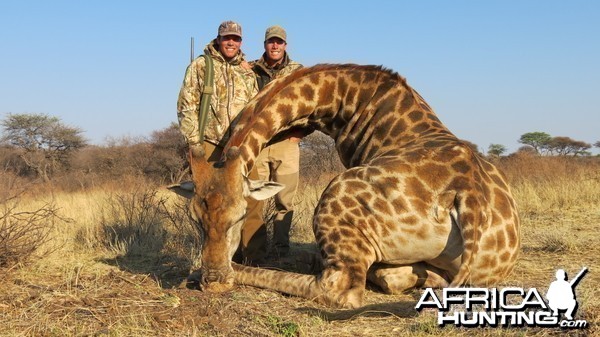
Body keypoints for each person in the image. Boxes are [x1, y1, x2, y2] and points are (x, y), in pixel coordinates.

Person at [241, 25, 303, 264]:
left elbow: (312, 105)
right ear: (265, 44)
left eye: (279, 42)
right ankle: (254, 251)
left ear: (285, 45)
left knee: (284, 201)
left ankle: (281, 250)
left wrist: (298, 134)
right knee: (254, 200)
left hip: (286, 145)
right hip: (258, 145)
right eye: (271, 42)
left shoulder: (297, 72)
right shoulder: (250, 69)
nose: (275, 46)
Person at [177, 20, 258, 162]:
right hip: (209, 144)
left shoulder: (247, 73)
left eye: (236, 39)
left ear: (241, 42)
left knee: (250, 184)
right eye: (226, 38)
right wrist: (194, 144)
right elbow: (187, 106)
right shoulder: (201, 65)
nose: (231, 43)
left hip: (240, 147)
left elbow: (255, 111)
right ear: (218, 39)